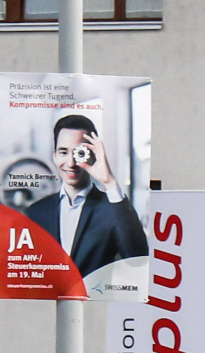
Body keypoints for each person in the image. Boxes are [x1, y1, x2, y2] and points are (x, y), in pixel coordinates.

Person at [19, 113, 148, 280]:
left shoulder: (113, 208)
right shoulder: (36, 212)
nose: (71, 163)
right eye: (64, 152)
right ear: (55, 156)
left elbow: (137, 261)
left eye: (79, 153)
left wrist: (110, 183)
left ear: (93, 155)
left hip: (95, 303)